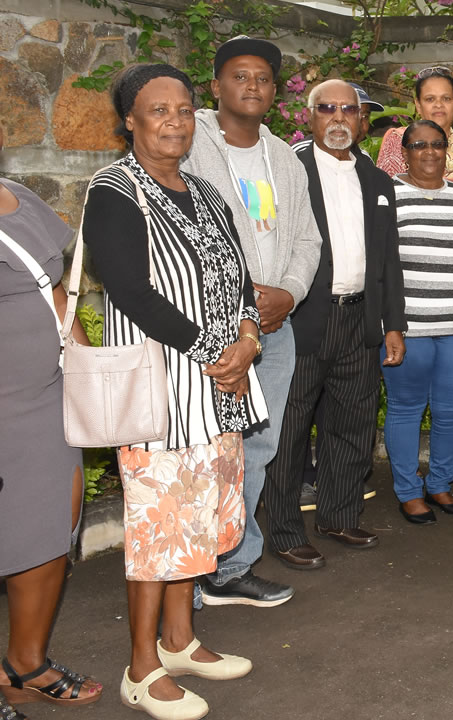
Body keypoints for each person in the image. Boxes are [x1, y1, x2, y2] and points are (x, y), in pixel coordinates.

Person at [84, 63, 266, 720]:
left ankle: (181, 641)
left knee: (196, 523)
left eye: (185, 109)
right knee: (158, 531)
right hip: (160, 394)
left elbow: (242, 278)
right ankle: (141, 667)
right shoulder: (113, 190)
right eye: (158, 110)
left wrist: (247, 338)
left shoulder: (208, 192)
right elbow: (132, 291)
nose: (175, 121)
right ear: (129, 121)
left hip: (219, 391)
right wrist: (219, 351)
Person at [181, 35, 321, 609]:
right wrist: (239, 300)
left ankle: (232, 565)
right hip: (208, 330)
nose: (252, 86)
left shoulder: (284, 157)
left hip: (274, 330)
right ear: (215, 87)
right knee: (203, 450)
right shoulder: (187, 148)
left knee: (257, 450)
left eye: (263, 77)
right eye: (239, 76)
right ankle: (184, 573)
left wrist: (288, 292)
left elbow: (307, 240)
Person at [264, 79, 407, 570]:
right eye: (328, 108)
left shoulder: (378, 180)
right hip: (303, 321)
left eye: (350, 110)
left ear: (363, 120)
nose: (339, 118)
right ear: (310, 116)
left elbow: (387, 260)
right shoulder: (289, 171)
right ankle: (283, 531)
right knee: (289, 431)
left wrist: (393, 323)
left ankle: (339, 515)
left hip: (360, 320)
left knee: (352, 425)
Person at [0, 122, 104, 718]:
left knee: (46, 530)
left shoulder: (21, 197)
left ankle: (26, 663)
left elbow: (58, 288)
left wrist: (82, 356)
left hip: (47, 396)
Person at [385, 119, 453, 524]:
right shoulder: (390, 195)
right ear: (404, 151)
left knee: (452, 409)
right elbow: (382, 265)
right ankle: (408, 491)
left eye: (437, 144)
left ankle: (439, 484)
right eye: (419, 145)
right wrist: (389, 324)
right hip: (410, 326)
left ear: (447, 149)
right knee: (407, 408)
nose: (429, 151)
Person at [376, 67, 453, 187]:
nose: (438, 105)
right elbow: (387, 192)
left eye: (446, 99)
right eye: (430, 99)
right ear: (418, 106)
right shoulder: (399, 141)